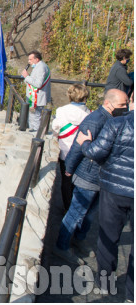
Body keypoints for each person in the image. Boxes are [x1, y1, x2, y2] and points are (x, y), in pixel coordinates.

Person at [55, 89, 128, 265]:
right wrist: (69, 169)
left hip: (101, 177)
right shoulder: (95, 120)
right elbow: (78, 146)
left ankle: (79, 240)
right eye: (122, 105)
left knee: (89, 214)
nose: (125, 108)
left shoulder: (112, 119)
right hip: (88, 176)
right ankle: (61, 247)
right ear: (108, 103)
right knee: (76, 212)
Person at [77, 105, 133, 301]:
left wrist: (85, 143)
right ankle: (132, 295)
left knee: (108, 236)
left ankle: (105, 283)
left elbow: (95, 152)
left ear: (132, 100)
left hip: (114, 189)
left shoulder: (117, 123)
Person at [51, 84, 90, 211]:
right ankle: (76, 206)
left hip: (65, 150)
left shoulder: (61, 111)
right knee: (79, 181)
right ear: (85, 97)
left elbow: (55, 129)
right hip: (82, 152)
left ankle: (67, 207)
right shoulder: (89, 115)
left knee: (66, 180)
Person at [21, 50, 51, 131]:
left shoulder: (41, 67)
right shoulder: (39, 66)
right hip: (35, 97)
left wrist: (27, 76)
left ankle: (35, 136)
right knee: (32, 118)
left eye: (30, 59)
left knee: (35, 119)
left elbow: (38, 84)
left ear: (36, 59)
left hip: (37, 98)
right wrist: (26, 78)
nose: (29, 62)